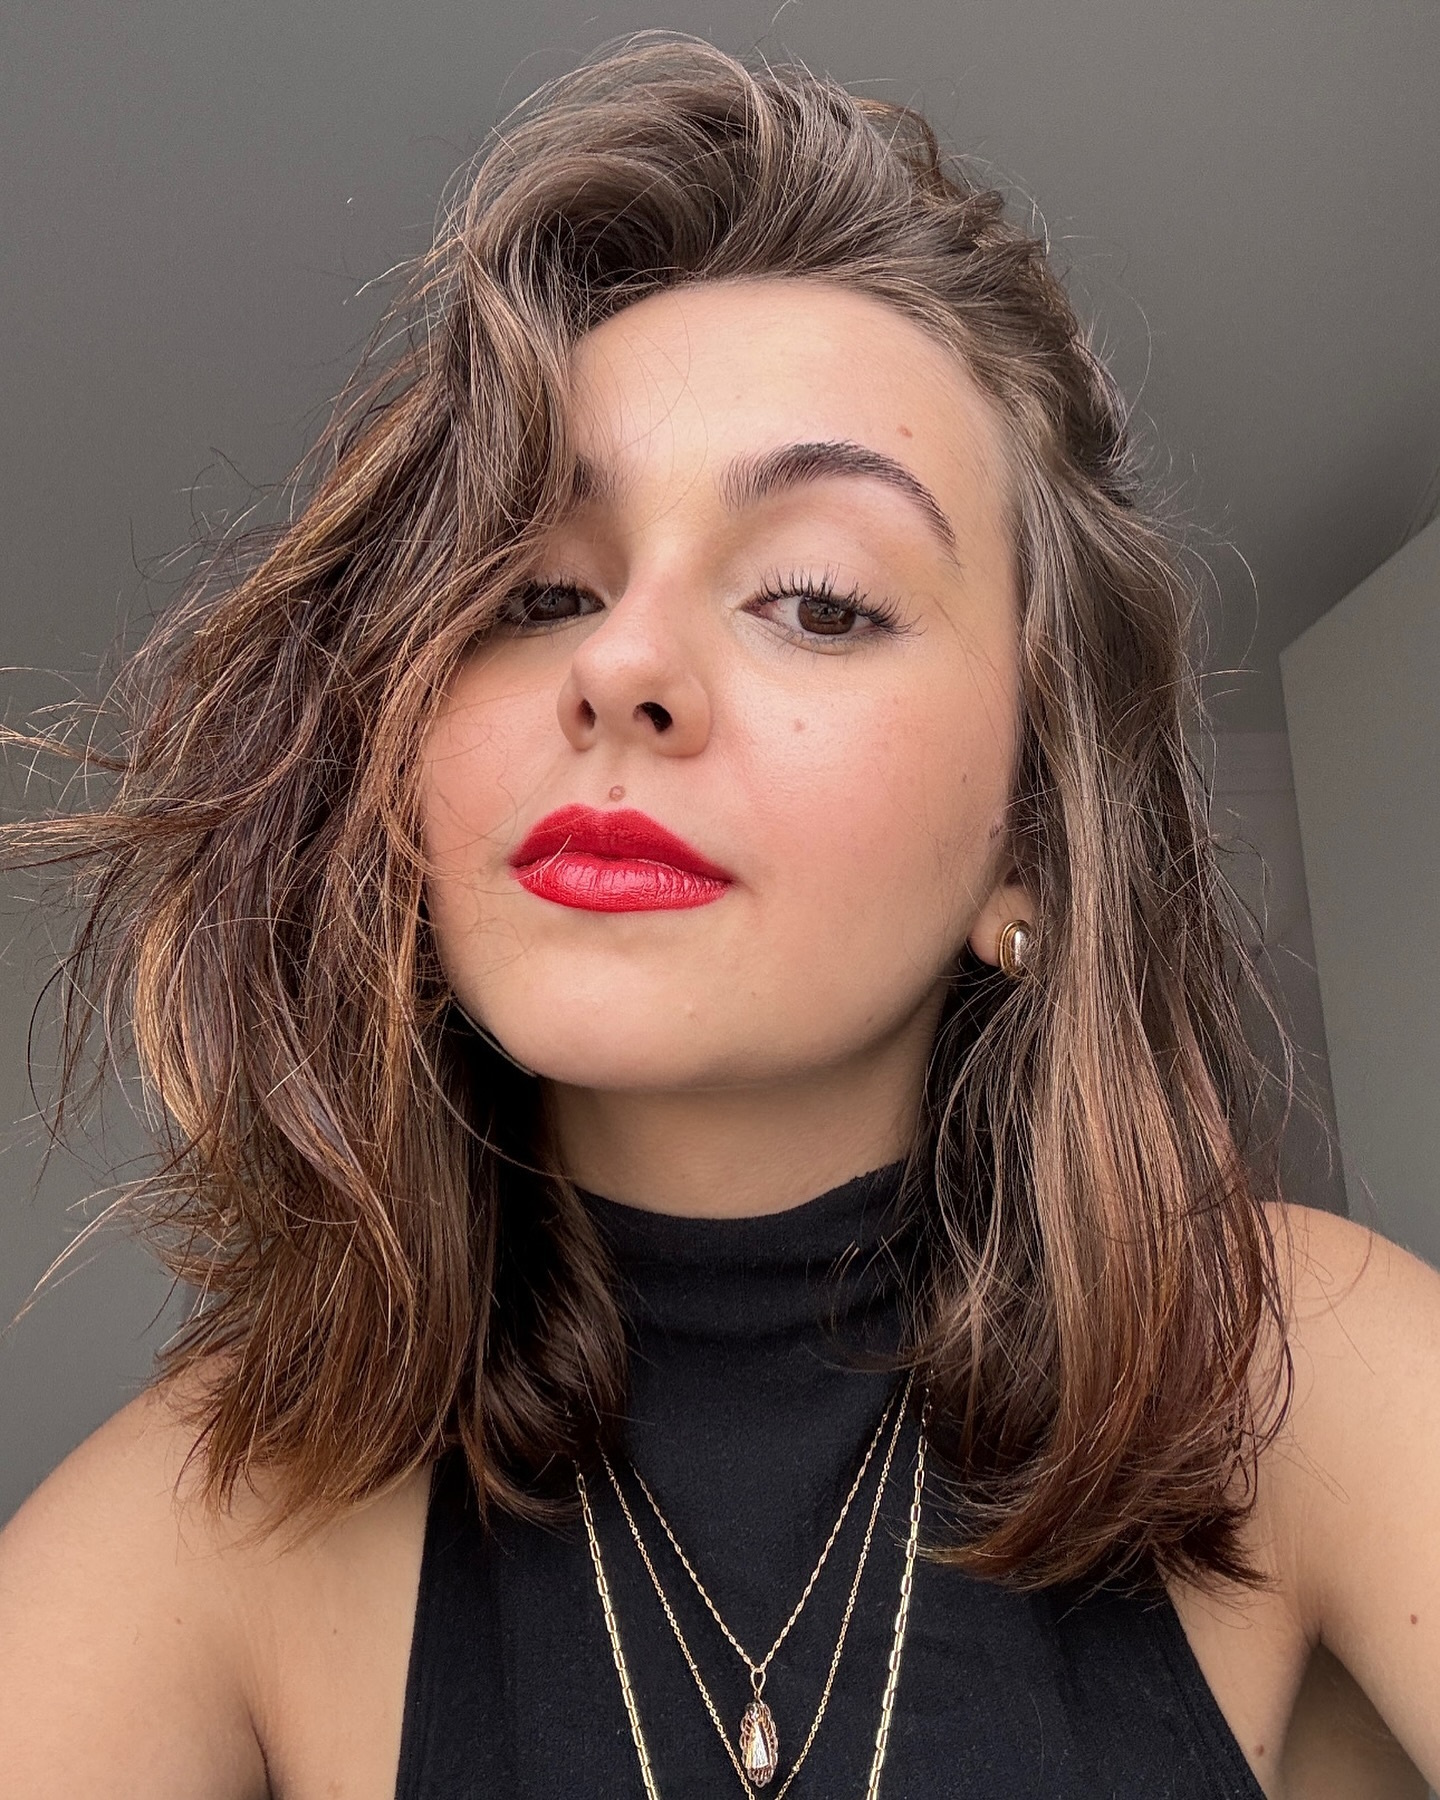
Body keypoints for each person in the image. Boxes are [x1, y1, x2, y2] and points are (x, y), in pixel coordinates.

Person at [0, 35, 1435, 1800]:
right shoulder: (209, 1529)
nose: (619, 662)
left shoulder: (1307, 1376)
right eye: (536, 589)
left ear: (1031, 850)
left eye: (820, 599)